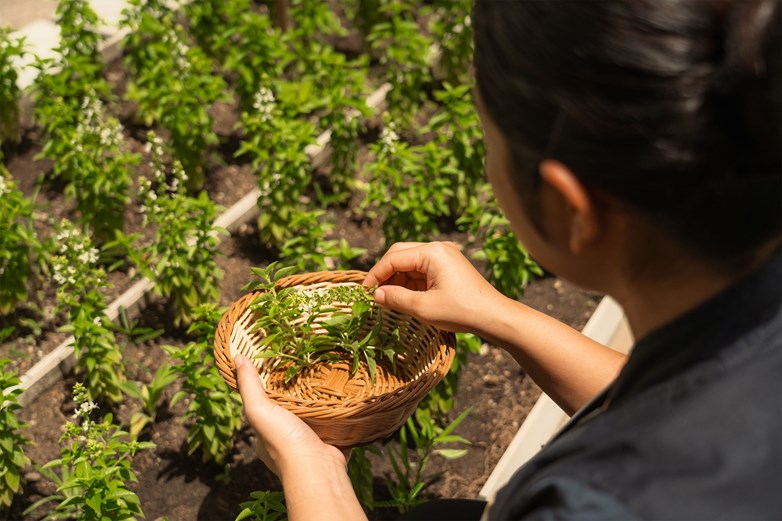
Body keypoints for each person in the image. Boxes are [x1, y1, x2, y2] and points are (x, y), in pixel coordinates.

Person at [233, 0, 781, 519]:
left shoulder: (592, 503)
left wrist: (313, 468)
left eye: (490, 138)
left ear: (572, 211)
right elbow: (677, 404)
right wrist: (497, 314)